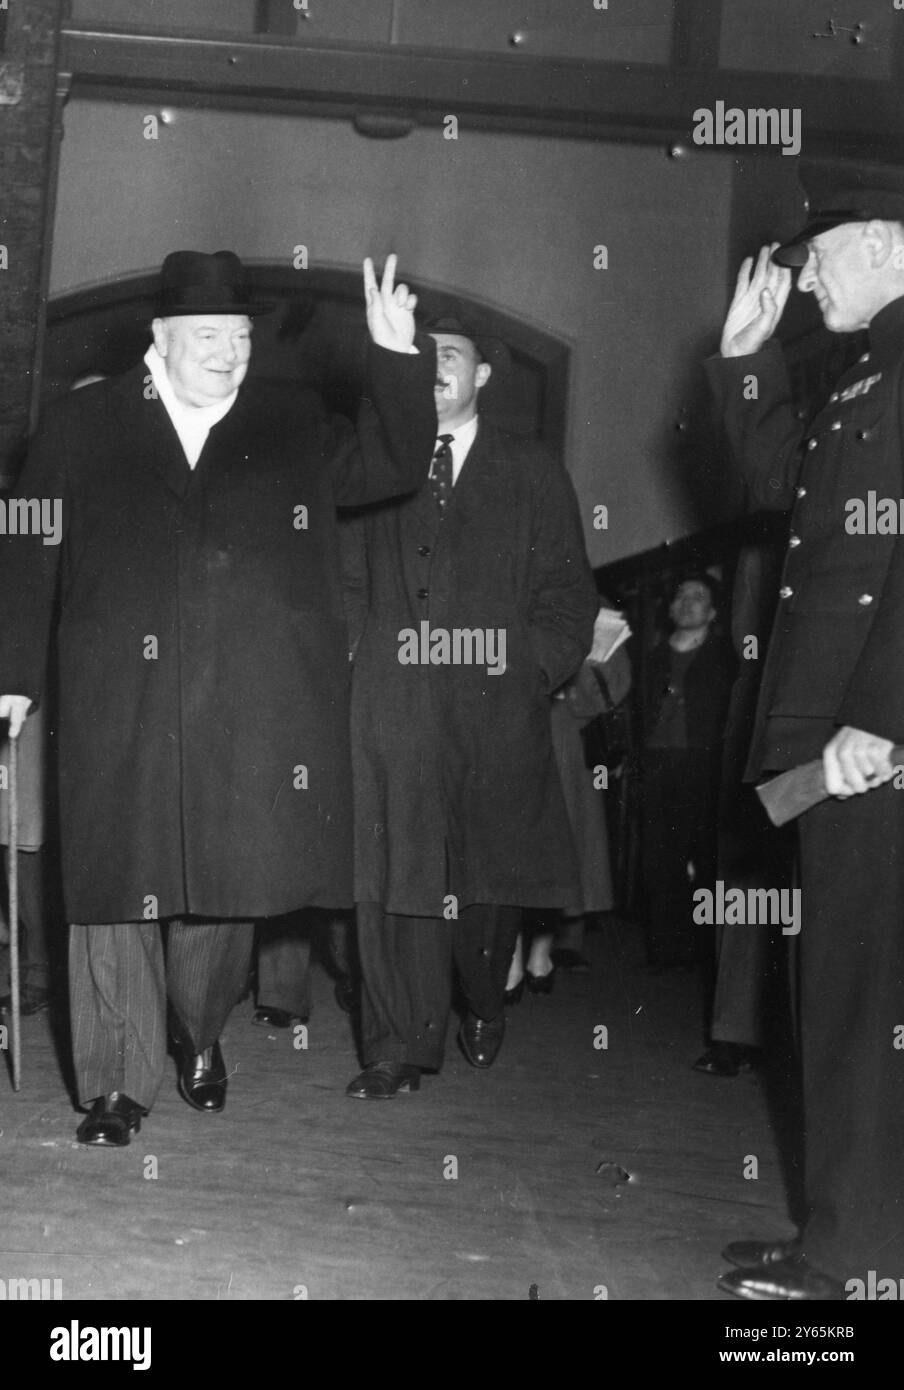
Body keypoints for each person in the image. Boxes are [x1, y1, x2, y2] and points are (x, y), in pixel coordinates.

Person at [0, 249, 436, 1146]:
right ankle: (117, 1084)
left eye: (239, 336)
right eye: (209, 336)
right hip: (117, 693)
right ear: (160, 338)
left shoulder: (292, 418)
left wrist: (395, 358)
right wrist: (10, 677)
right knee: (113, 886)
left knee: (223, 890)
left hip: (249, 701)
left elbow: (394, 464)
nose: (229, 353)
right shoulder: (84, 422)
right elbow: (26, 542)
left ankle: (198, 1032)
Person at [705, 163, 904, 1299]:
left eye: (818, 255)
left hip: (866, 736)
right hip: (830, 733)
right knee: (837, 990)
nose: (803, 274)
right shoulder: (858, 372)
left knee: (862, 998)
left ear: (882, 239)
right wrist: (745, 361)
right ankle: (846, 1233)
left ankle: (858, 1256)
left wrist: (879, 715)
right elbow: (778, 480)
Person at [346, 310, 598, 1098]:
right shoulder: (375, 468)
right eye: (418, 358)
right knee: (395, 877)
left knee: (483, 897)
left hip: (497, 710)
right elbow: (342, 582)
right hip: (394, 708)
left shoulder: (533, 472)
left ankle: (485, 999)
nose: (433, 369)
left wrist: (527, 669)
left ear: (483, 374)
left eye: (448, 355)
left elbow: (567, 599)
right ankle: (398, 1046)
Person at [504, 603, 631, 998]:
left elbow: (605, 698)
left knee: (560, 848)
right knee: (511, 852)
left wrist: (593, 660)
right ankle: (511, 954)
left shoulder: (596, 613)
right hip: (508, 735)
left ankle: (540, 951)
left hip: (563, 744)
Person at [639, 574, 736, 971]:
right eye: (680, 594)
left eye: (697, 597)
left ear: (713, 612)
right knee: (659, 861)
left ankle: (707, 955)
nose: (686, 602)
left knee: (707, 859)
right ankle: (666, 952)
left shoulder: (726, 659)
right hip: (657, 767)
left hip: (704, 768)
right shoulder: (653, 659)